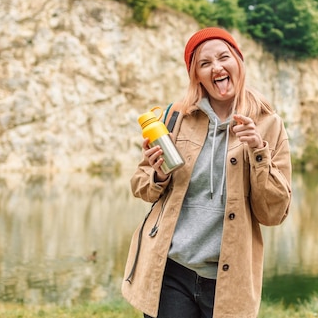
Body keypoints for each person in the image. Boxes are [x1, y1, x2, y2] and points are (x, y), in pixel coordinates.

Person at [122, 27, 292, 318]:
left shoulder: (268, 123)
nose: (217, 67)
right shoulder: (176, 117)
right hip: (172, 270)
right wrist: (157, 173)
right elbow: (140, 185)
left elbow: (274, 213)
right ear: (196, 75)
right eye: (204, 63)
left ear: (238, 62)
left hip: (229, 279)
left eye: (224, 57)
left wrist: (258, 150)